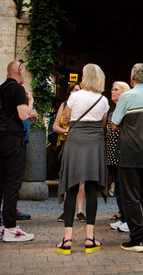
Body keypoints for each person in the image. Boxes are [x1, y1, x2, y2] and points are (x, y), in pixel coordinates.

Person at [56, 64, 110, 254]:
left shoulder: (75, 96)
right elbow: (103, 123)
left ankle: (67, 239)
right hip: (95, 142)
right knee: (92, 188)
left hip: (75, 140)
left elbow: (66, 118)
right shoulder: (103, 99)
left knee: (71, 187)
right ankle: (89, 238)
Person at [111, 63, 143, 252]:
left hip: (130, 152)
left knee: (131, 197)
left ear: (132, 78)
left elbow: (114, 124)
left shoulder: (127, 96)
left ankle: (138, 239)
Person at [0, 60, 37, 242]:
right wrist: (30, 101)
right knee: (12, 183)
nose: (25, 74)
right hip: (13, 140)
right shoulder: (17, 89)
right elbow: (24, 115)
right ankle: (11, 228)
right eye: (24, 70)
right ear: (19, 70)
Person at [53, 83, 86, 222]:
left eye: (77, 90)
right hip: (65, 144)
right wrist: (65, 131)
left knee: (81, 179)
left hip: (80, 144)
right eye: (73, 90)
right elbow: (55, 126)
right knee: (66, 177)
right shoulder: (64, 105)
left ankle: (80, 211)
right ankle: (66, 210)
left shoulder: (84, 105)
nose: (75, 92)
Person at [108, 81, 130, 232]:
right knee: (117, 188)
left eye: (116, 89)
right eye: (112, 89)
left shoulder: (126, 110)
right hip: (112, 155)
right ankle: (122, 217)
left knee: (123, 188)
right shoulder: (112, 112)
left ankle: (128, 219)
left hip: (122, 153)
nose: (112, 91)